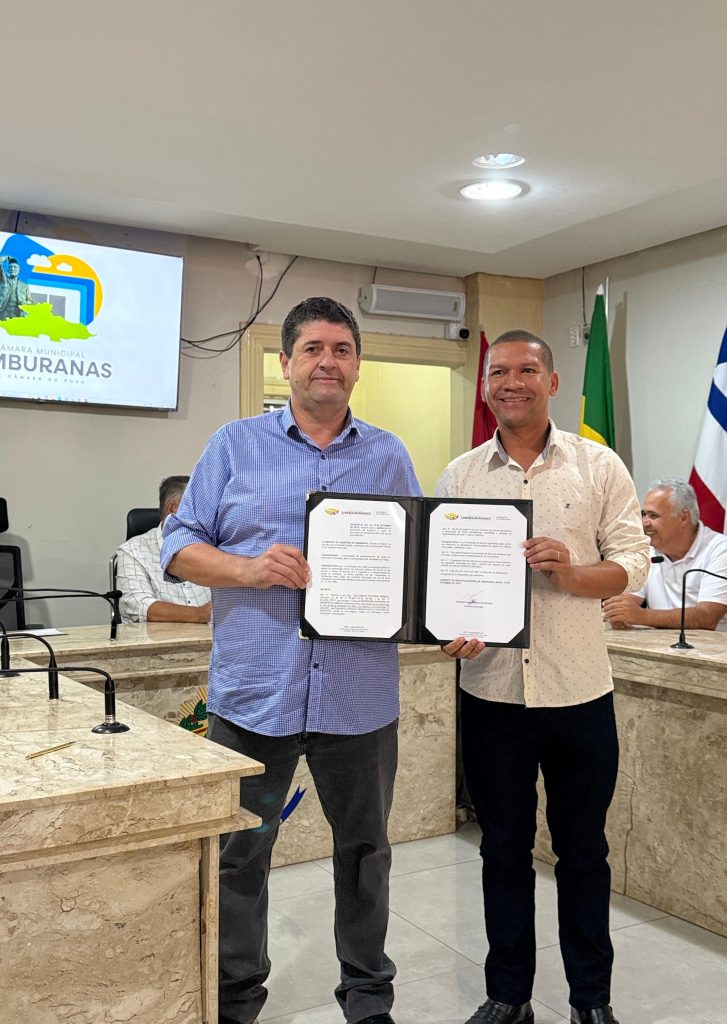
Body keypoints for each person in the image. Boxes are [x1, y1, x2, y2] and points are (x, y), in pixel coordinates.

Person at [161, 297, 421, 1024]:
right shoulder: (234, 445)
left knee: (365, 852)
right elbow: (177, 547)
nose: (327, 362)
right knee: (241, 856)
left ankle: (367, 997)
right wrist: (248, 570)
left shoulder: (389, 455)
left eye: (342, 349)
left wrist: (457, 616)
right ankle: (235, 999)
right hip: (254, 695)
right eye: (312, 349)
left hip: (359, 699)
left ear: (358, 366)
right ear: (285, 363)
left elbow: (417, 561)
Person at [436, 329, 649, 1024]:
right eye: (499, 371)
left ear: (552, 382)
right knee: (502, 851)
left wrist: (573, 573)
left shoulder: (598, 465)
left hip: (578, 693)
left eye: (527, 370)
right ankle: (509, 996)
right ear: (485, 386)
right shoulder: (460, 475)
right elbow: (442, 579)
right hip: (491, 694)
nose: (512, 382)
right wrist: (448, 629)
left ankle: (591, 1001)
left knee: (583, 853)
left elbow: (634, 563)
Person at [603, 477, 727, 636]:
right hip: (673, 645)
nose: (644, 523)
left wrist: (641, 616)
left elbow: (707, 618)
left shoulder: (722, 551)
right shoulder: (649, 552)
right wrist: (618, 611)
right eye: (643, 514)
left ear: (683, 517)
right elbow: (629, 600)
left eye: (653, 516)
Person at [116, 475, 211, 623]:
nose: (206, 516)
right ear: (172, 509)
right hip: (157, 637)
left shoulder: (212, 546)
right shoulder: (133, 551)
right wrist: (199, 615)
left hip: (213, 635)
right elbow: (138, 606)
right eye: (198, 508)